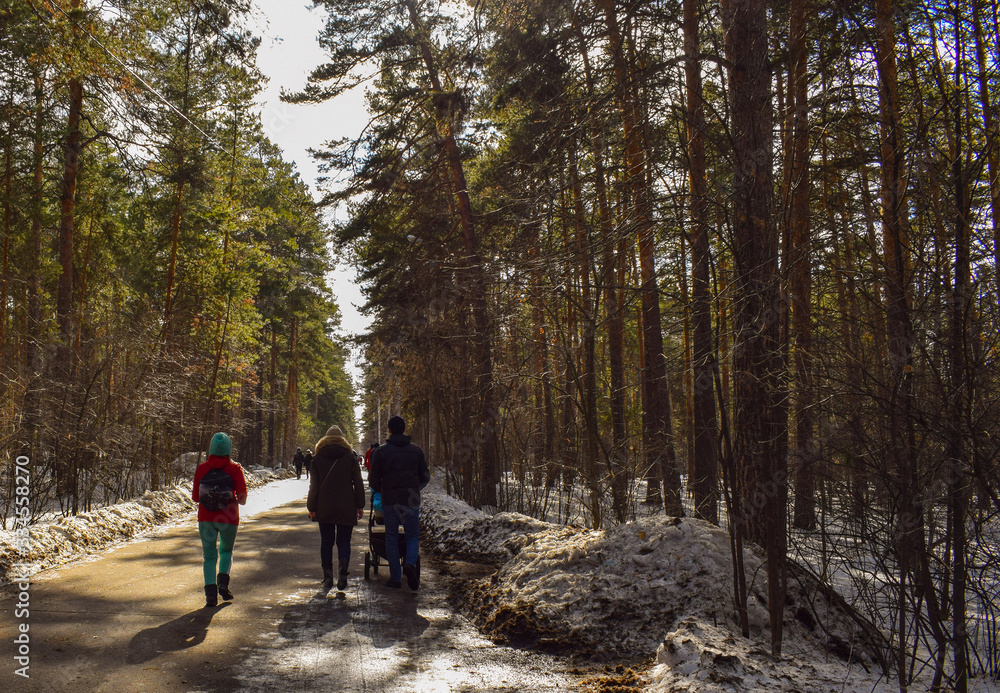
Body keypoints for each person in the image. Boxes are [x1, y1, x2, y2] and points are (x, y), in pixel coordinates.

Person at [368, 416, 429, 590]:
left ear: (389, 430)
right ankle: (409, 562)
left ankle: (395, 577)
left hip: (390, 501)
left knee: (392, 537)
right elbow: (425, 476)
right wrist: (415, 490)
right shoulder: (416, 451)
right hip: (410, 500)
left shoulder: (381, 452)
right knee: (412, 535)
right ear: (404, 429)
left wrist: (381, 489)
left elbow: (373, 480)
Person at [307, 425, 365, 591]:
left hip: (324, 506)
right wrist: (360, 505)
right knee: (344, 541)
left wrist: (311, 507)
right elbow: (358, 484)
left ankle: (327, 577)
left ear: (325, 440)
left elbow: (314, 486)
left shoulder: (317, 459)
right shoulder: (350, 458)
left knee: (326, 542)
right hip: (346, 506)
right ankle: (343, 574)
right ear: (342, 441)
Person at [193, 432, 247, 607]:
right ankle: (223, 582)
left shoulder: (202, 469)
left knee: (209, 556)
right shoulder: (235, 469)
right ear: (228, 449)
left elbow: (195, 497)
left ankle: (210, 595)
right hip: (228, 518)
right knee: (226, 550)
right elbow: (243, 499)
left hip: (206, 518)